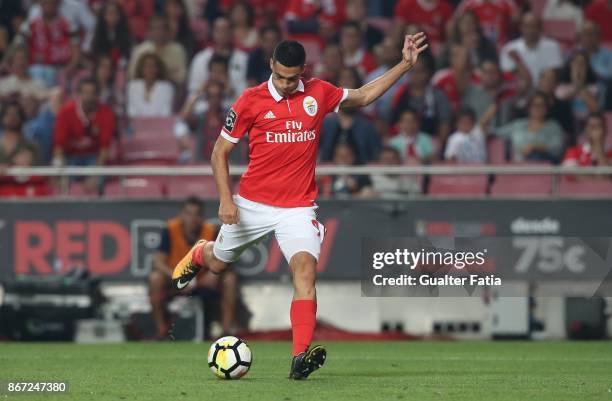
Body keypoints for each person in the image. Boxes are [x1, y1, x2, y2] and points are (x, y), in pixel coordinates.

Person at [170, 34, 428, 379]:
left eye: (293, 78)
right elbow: (219, 151)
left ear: (303, 72)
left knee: (305, 271)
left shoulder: (318, 92)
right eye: (281, 77)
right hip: (253, 204)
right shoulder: (250, 101)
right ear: (271, 67)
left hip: (298, 207)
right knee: (218, 265)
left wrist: (405, 65)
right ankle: (202, 253)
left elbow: (364, 96)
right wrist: (226, 198)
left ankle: (299, 358)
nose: (287, 84)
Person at [149, 197, 239, 340]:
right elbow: (158, 261)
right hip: (175, 277)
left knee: (230, 278)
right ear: (181, 215)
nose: (192, 218)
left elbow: (224, 259)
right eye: (188, 214)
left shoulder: (210, 231)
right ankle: (161, 331)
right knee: (155, 278)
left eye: (196, 214)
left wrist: (213, 275)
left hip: (203, 277)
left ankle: (226, 332)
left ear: (201, 217)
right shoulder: (170, 229)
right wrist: (178, 277)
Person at [52, 78, 114, 192]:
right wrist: (58, 173)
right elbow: (59, 146)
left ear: (98, 96)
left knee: (98, 182)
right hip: (71, 157)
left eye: (92, 93)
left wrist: (95, 176)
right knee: (62, 182)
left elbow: (104, 148)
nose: (89, 97)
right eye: (85, 93)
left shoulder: (106, 113)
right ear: (78, 94)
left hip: (94, 157)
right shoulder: (65, 112)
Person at [495, 91, 564, 163]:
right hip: (518, 168)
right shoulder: (518, 125)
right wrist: (494, 108)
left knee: (535, 156)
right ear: (528, 107)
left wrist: (535, 147)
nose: (538, 108)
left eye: (542, 105)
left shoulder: (554, 126)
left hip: (545, 168)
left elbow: (557, 149)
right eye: (534, 105)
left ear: (547, 108)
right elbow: (495, 133)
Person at [188, 16, 248, 98]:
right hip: (204, 107)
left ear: (231, 33)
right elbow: (192, 91)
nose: (222, 34)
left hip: (233, 105)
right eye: (218, 30)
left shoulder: (243, 59)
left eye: (225, 30)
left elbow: (247, 94)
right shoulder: (200, 58)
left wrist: (230, 89)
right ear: (212, 32)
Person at [499, 13, 562, 85]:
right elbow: (509, 76)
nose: (530, 30)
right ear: (520, 27)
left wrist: (517, 60)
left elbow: (553, 74)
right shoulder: (509, 48)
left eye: (534, 26)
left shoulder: (552, 46)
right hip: (519, 91)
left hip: (545, 90)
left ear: (540, 28)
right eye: (527, 26)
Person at [127, 15, 187, 87]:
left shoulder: (178, 50)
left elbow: (182, 78)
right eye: (154, 28)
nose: (158, 32)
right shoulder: (140, 50)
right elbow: (132, 75)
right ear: (149, 31)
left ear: (168, 31)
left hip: (170, 89)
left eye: (161, 28)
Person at [127, 52, 175, 118]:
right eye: (147, 66)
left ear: (158, 69)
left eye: (153, 66)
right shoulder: (132, 86)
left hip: (160, 125)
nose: (150, 69)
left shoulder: (167, 87)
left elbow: (165, 113)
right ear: (141, 68)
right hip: (137, 125)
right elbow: (132, 112)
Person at [90, 1, 132, 66]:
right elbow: (95, 51)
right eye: (110, 13)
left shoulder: (126, 30)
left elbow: (128, 50)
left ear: (119, 15)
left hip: (122, 65)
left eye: (115, 13)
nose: (112, 16)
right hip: (103, 65)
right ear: (104, 15)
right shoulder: (98, 31)